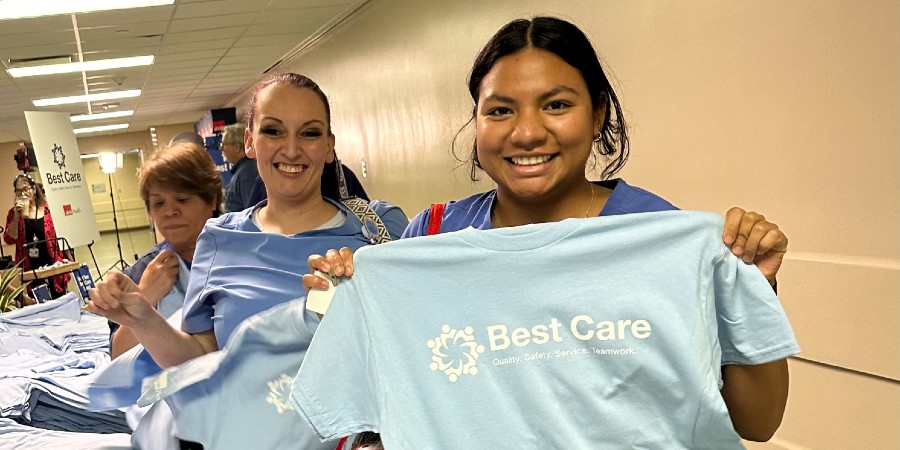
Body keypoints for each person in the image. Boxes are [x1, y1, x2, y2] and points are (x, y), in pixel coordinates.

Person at [303, 16, 792, 445]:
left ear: (597, 114)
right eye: (500, 110)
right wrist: (345, 304)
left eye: (556, 105)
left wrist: (754, 286)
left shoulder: (659, 236)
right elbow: (383, 400)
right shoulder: (431, 241)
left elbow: (757, 421)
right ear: (476, 123)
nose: (527, 132)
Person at [87, 71, 408, 369]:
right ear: (250, 143)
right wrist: (144, 318)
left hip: (359, 414)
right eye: (273, 131)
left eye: (309, 133)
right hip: (249, 414)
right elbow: (202, 357)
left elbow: (415, 335)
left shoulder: (379, 228)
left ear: (328, 147)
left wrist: (366, 295)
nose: (291, 150)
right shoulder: (219, 240)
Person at [107, 141, 222, 359]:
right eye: (158, 203)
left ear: (212, 200)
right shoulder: (144, 272)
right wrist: (145, 297)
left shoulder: (243, 252)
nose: (170, 212)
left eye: (182, 199)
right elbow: (118, 355)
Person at [3, 174, 71, 299]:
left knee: (59, 300)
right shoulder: (13, 213)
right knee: (38, 303)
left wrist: (70, 260)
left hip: (53, 265)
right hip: (30, 268)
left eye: (25, 189)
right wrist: (17, 216)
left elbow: (61, 235)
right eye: (18, 191)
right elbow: (9, 239)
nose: (22, 193)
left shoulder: (48, 210)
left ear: (34, 189)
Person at [220, 123, 260, 212]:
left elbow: (252, 213)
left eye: (223, 145)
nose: (221, 149)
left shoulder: (246, 174)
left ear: (237, 147)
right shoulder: (246, 170)